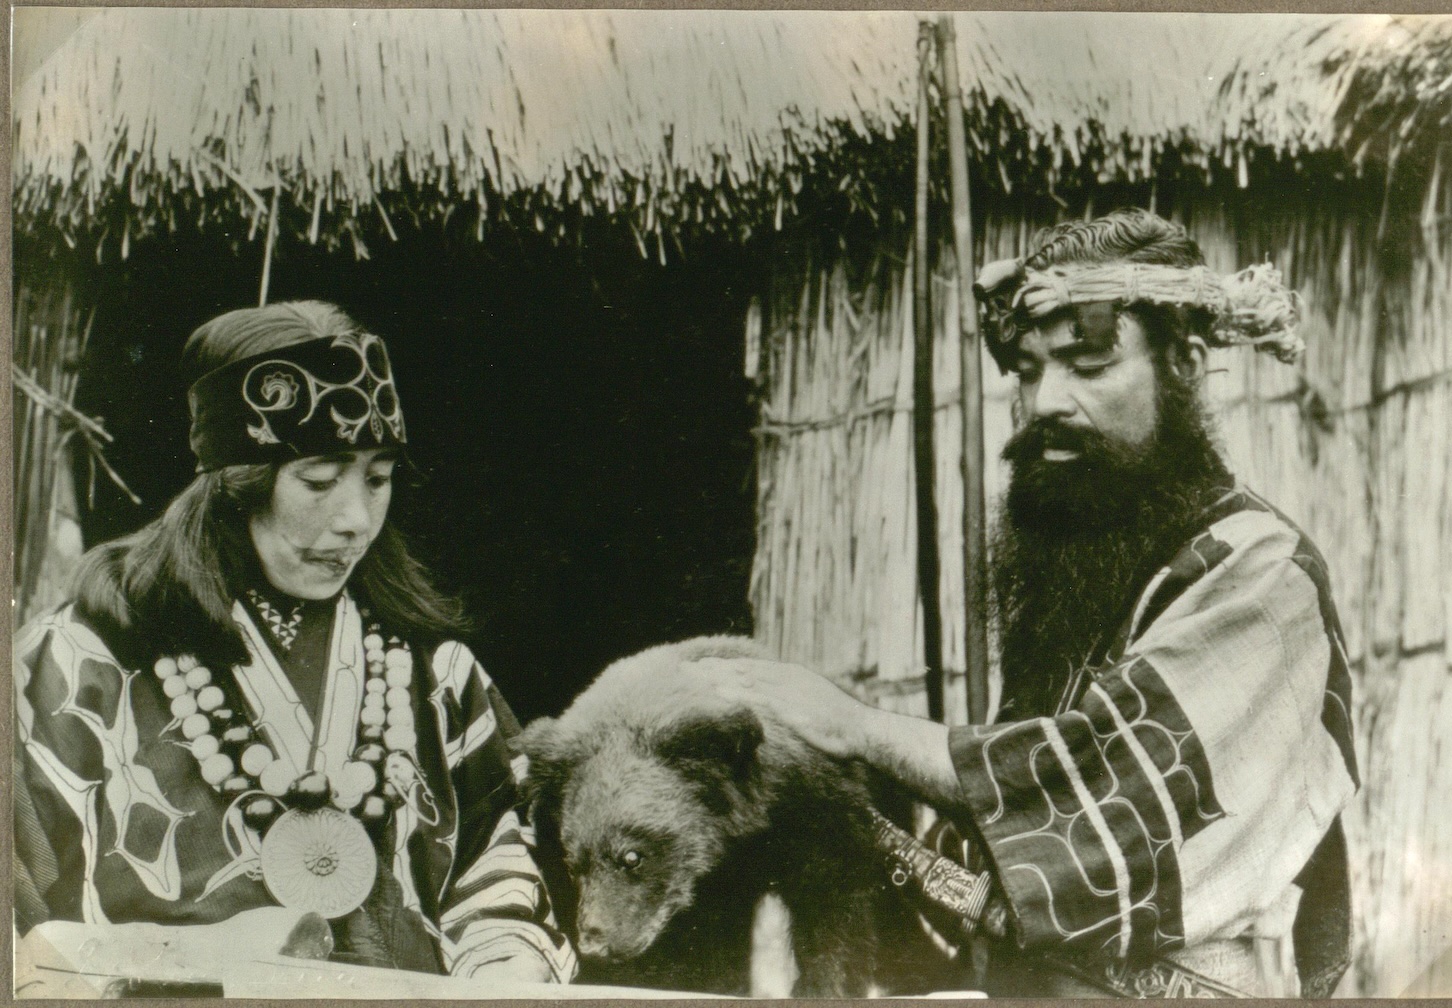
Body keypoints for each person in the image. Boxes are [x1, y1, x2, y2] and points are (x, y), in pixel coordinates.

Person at [690, 209, 1358, 998]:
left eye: (1086, 363)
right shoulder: (1092, 558)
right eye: (1029, 372)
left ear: (1185, 364)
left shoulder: (1261, 571)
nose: (1045, 402)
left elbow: (1099, 794)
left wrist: (854, 728)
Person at [14, 302, 577, 987]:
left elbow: (502, 874)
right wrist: (216, 960)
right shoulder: (80, 662)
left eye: (378, 478)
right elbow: (26, 925)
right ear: (236, 485)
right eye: (318, 479)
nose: (356, 519)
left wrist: (504, 968)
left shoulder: (435, 676)